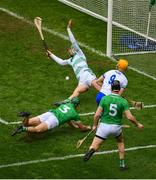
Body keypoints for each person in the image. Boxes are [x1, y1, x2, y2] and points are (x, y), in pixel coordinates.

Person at [83, 80, 144, 170]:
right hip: (116, 128)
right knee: (120, 142)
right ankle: (122, 164)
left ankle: (92, 150)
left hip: (103, 126)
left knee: (95, 144)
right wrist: (138, 124)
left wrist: (95, 125)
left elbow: (97, 115)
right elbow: (130, 117)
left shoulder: (104, 99)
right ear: (119, 89)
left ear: (111, 88)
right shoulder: (123, 101)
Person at [46, 19, 101, 105]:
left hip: (87, 74)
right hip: (81, 80)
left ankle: (110, 96)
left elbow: (74, 43)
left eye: (71, 49)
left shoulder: (80, 54)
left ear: (74, 50)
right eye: (69, 50)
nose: (69, 50)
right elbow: (61, 62)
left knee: (96, 84)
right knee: (76, 91)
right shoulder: (70, 61)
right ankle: (65, 102)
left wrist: (68, 29)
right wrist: (51, 55)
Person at [11, 97, 91, 136]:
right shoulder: (74, 114)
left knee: (27, 123)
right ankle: (22, 129)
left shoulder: (67, 103)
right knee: (38, 130)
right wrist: (88, 127)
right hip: (55, 119)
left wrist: (73, 126)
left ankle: (27, 116)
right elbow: (82, 128)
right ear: (77, 105)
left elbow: (68, 119)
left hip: (49, 113)